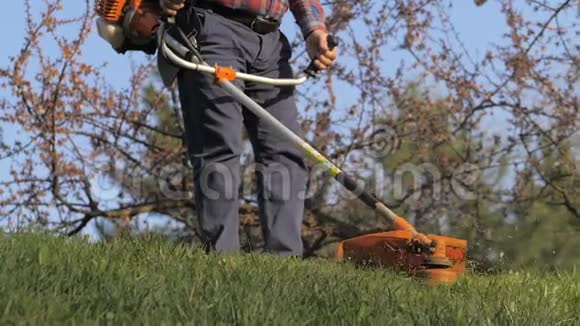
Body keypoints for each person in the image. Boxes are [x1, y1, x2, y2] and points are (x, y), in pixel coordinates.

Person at [158, 0, 337, 256]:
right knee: (220, 145)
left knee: (285, 151)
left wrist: (315, 32)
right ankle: (222, 259)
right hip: (214, 29)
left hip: (270, 42)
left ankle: (284, 262)